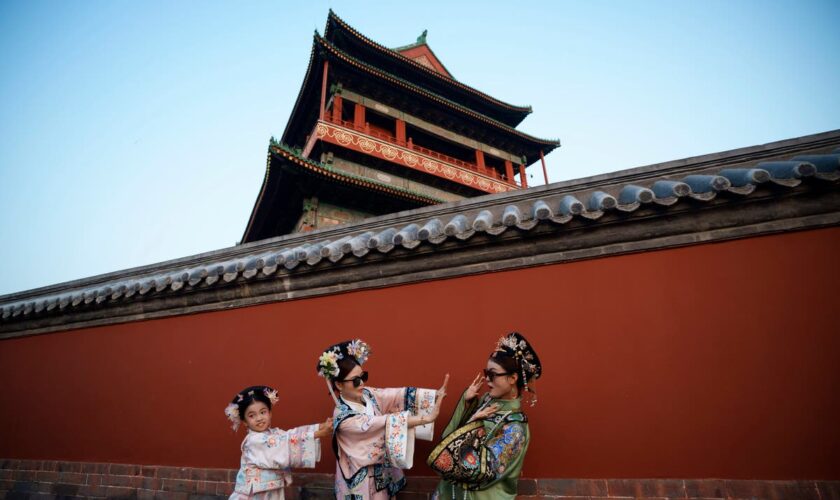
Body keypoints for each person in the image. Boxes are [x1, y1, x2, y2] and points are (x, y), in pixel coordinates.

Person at [316, 339, 449, 499]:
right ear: (338, 385)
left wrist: (433, 396)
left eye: (363, 376)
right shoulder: (343, 418)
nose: (362, 383)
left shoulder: (367, 394)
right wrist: (425, 419)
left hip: (382, 477)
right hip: (360, 482)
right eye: (356, 380)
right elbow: (380, 424)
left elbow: (394, 395)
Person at [428, 332, 542, 499]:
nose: (487, 380)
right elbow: (448, 440)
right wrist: (466, 405)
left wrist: (474, 423)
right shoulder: (487, 401)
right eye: (486, 373)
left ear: (512, 378)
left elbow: (482, 471)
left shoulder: (515, 428)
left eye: (493, 375)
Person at [224, 385, 331, 499]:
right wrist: (318, 434)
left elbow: (291, 435)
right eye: (252, 415)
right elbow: (282, 443)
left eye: (263, 412)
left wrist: (320, 427)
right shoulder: (254, 440)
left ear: (270, 413)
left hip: (269, 489)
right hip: (255, 493)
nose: (259, 418)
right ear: (245, 422)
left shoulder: (274, 433)